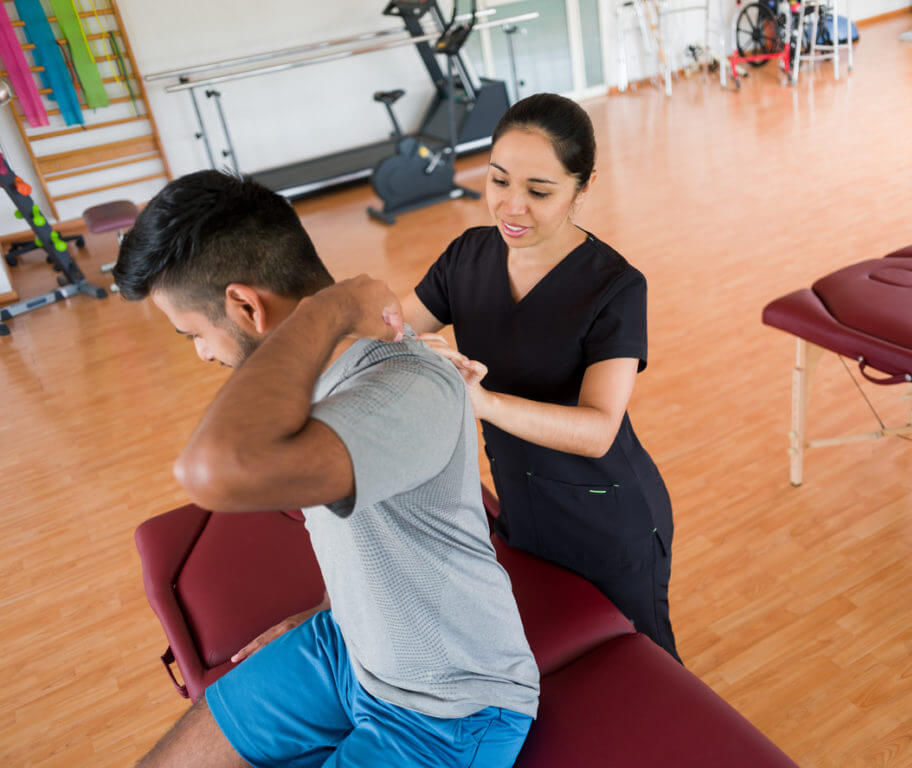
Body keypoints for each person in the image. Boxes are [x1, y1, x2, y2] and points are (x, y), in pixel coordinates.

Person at [113, 170, 539, 768]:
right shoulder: (309, 383)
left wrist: (338, 304)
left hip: (448, 707)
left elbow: (212, 470)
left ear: (244, 305)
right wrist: (335, 609)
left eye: (194, 334)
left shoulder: (407, 386)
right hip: (345, 645)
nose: (202, 353)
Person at [403, 93, 679, 662]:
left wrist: (483, 402)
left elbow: (599, 429)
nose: (512, 207)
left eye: (539, 191)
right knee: (558, 670)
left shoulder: (616, 288)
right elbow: (392, 330)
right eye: (498, 180)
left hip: (609, 516)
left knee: (646, 672)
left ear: (584, 187)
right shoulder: (467, 258)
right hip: (524, 513)